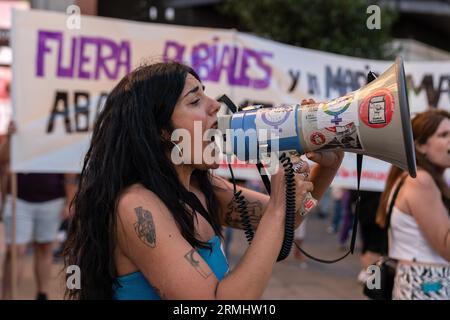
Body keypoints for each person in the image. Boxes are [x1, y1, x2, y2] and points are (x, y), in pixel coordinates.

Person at [63, 61, 343, 300]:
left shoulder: (202, 187)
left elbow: (291, 219)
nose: (216, 106)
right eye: (195, 100)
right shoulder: (137, 207)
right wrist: (278, 206)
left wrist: (330, 166)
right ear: (162, 130)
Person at [376, 109, 450, 300]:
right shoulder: (421, 182)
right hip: (428, 284)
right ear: (420, 146)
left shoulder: (413, 178)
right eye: (444, 135)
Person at [0, 123, 78, 300]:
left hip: (51, 200)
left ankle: (42, 293)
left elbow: (68, 170)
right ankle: (7, 295)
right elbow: (2, 159)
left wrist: (69, 200)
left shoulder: (58, 129)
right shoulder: (20, 125)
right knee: (16, 250)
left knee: (45, 247)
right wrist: (11, 137)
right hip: (18, 198)